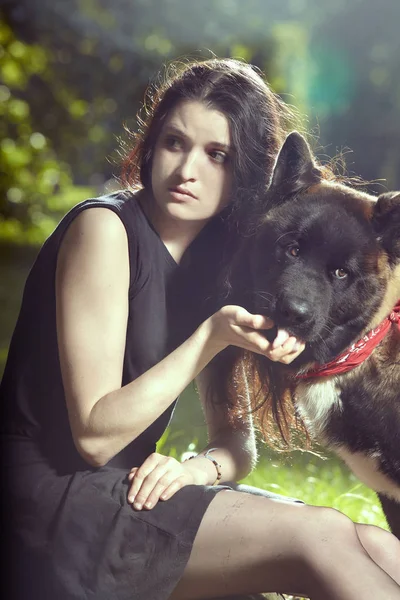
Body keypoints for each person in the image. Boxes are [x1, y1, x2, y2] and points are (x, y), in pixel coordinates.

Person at [1, 57, 399, 600]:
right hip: (45, 505)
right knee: (322, 536)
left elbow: (236, 445)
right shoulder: (104, 231)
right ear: (151, 144)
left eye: (217, 155)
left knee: (373, 543)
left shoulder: (225, 263)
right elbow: (94, 438)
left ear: (249, 174)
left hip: (130, 488)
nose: (188, 170)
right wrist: (210, 338)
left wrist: (199, 469)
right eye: (173, 143)